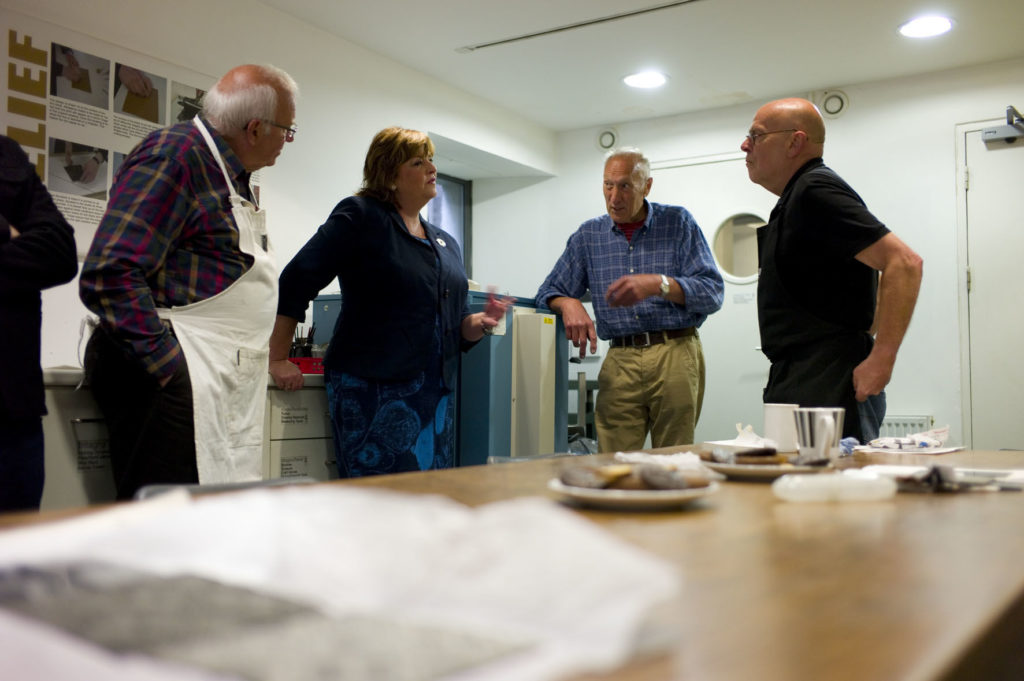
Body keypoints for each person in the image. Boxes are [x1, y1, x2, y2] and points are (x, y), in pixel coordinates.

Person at [79, 64, 299, 499]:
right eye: (287, 131)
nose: (287, 142)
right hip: (171, 374)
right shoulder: (176, 156)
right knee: (165, 533)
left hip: (212, 375)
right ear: (255, 128)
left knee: (208, 523)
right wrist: (170, 370)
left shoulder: (229, 176)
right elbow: (110, 272)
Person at [269, 127, 510, 477]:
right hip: (372, 391)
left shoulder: (444, 242)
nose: (432, 168)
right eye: (418, 161)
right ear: (390, 176)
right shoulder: (361, 216)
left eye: (432, 159)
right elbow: (296, 279)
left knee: (427, 501)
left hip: (435, 394)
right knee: (380, 505)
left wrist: (479, 323)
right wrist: (278, 356)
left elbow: (452, 326)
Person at [742, 97, 923, 442]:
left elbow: (904, 263)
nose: (745, 144)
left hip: (829, 379)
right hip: (803, 375)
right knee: (799, 490)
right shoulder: (796, 198)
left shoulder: (816, 190)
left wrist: (880, 359)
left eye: (757, 135)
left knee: (838, 492)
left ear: (795, 142)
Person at [535, 147, 724, 452]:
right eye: (608, 186)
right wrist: (567, 302)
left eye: (625, 186)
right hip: (620, 358)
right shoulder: (589, 236)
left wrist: (659, 284)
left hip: (674, 351)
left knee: (674, 456)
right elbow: (546, 292)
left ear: (646, 186)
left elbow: (712, 292)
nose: (614, 197)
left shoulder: (678, 223)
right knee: (613, 460)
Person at [0, 135, 78, 511]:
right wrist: (8, 232)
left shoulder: (5, 154)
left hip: (13, 410)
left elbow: (60, 255)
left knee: (18, 559)